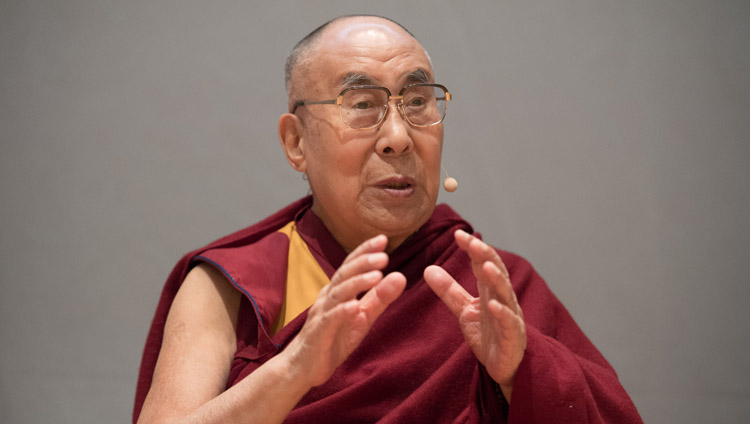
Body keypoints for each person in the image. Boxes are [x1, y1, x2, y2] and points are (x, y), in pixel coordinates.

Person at [133, 15, 643, 424]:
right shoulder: (235, 283)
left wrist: (521, 372)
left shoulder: (490, 287)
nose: (398, 136)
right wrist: (292, 371)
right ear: (296, 142)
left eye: (418, 101)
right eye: (362, 104)